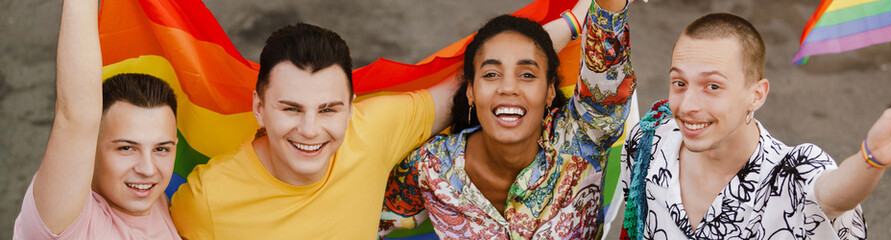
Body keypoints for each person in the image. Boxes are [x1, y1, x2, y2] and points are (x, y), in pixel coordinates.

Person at [168, 4, 589, 236]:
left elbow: (476, 78)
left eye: (329, 109)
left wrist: (579, 16)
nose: (311, 130)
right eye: (291, 108)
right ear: (259, 107)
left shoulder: (373, 129)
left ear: (352, 107)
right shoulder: (205, 202)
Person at [617, 13, 891, 239]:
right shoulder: (650, 140)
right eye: (679, 83)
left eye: (713, 87)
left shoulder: (791, 171)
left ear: (756, 94)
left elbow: (831, 196)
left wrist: (873, 157)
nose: (687, 106)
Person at [378, 0, 633, 238]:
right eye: (491, 74)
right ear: (470, 92)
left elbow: (607, 54)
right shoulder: (428, 168)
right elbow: (363, 216)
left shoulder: (582, 136)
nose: (508, 87)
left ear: (550, 91)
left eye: (527, 75)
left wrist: (581, 17)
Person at [14, 0, 181, 239]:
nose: (147, 169)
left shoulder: (163, 203)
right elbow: (75, 120)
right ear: (90, 148)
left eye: (162, 149)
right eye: (126, 148)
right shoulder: (69, 224)